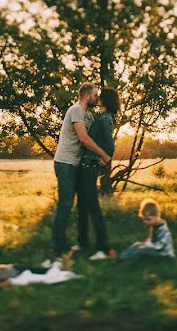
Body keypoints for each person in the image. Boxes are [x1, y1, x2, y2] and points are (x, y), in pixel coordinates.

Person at [50, 83, 111, 259]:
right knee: (65, 204)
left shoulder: (89, 117)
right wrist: (104, 155)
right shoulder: (76, 110)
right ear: (86, 96)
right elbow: (84, 139)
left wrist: (98, 156)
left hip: (76, 165)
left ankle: (74, 243)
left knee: (77, 205)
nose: (97, 98)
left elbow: (93, 140)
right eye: (94, 95)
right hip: (65, 163)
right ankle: (58, 248)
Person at [75, 87, 119, 260]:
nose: (97, 98)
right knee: (83, 205)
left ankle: (104, 248)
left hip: (90, 166)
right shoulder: (100, 117)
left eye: (100, 96)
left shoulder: (105, 119)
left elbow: (110, 145)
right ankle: (83, 242)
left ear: (105, 100)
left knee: (92, 206)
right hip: (86, 165)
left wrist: (106, 158)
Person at [0, 242, 70, 288]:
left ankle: (51, 267)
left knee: (34, 268)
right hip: (16, 272)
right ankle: (55, 268)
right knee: (35, 270)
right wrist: (5, 283)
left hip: (14, 269)